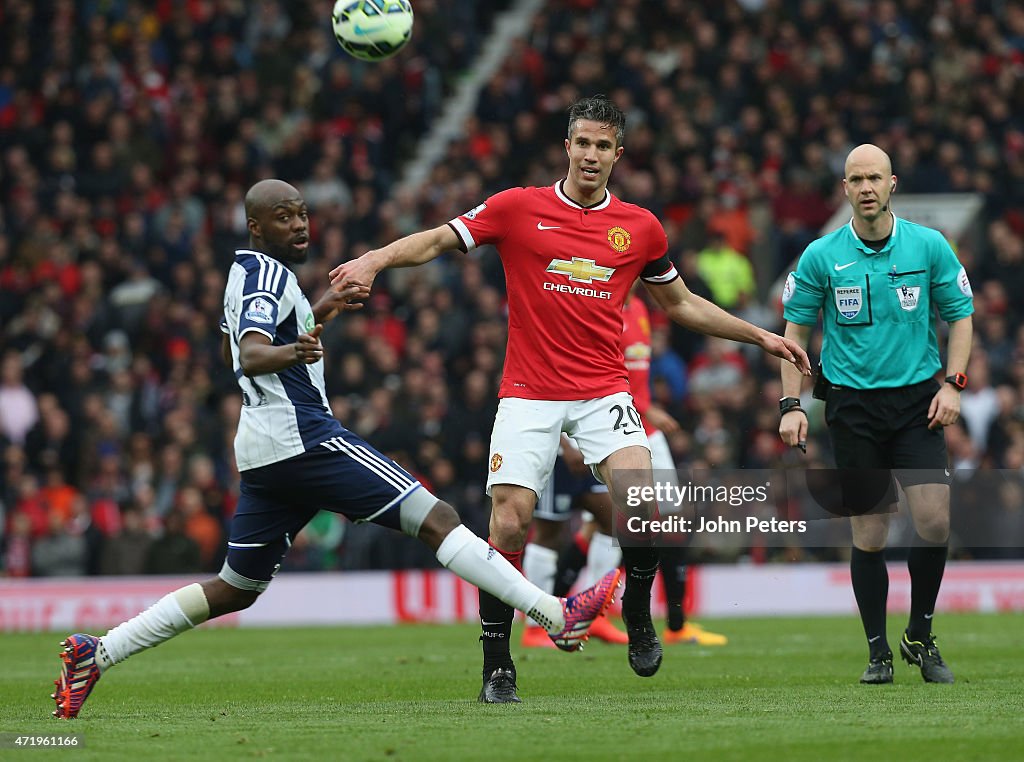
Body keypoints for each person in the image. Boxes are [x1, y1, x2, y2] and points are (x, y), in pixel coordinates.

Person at [51, 179, 621, 719]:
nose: (300, 225)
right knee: (437, 517)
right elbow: (253, 354)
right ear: (255, 225)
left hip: (263, 447)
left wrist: (321, 309)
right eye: (284, 217)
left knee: (234, 588)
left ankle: (96, 653)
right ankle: (557, 614)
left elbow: (268, 337)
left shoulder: (249, 272)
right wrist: (295, 352)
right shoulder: (267, 279)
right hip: (303, 439)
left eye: (302, 214)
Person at [332, 96, 811, 701]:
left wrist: (760, 335)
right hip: (528, 393)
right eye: (581, 143)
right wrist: (374, 260)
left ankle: (637, 612)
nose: (590, 154)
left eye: (602, 145)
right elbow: (436, 241)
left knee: (641, 500)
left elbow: (681, 304)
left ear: (617, 153)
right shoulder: (516, 207)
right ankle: (498, 666)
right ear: (567, 146)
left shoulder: (640, 228)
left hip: (602, 389)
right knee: (510, 520)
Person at [778, 144, 974, 684]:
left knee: (934, 523)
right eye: (855, 179)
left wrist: (953, 385)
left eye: (875, 178)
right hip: (853, 407)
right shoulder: (820, 255)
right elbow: (794, 334)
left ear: (893, 184)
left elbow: (961, 315)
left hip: (917, 404)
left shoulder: (929, 246)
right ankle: (877, 652)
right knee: (870, 534)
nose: (865, 187)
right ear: (844, 189)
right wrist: (791, 404)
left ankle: (921, 633)